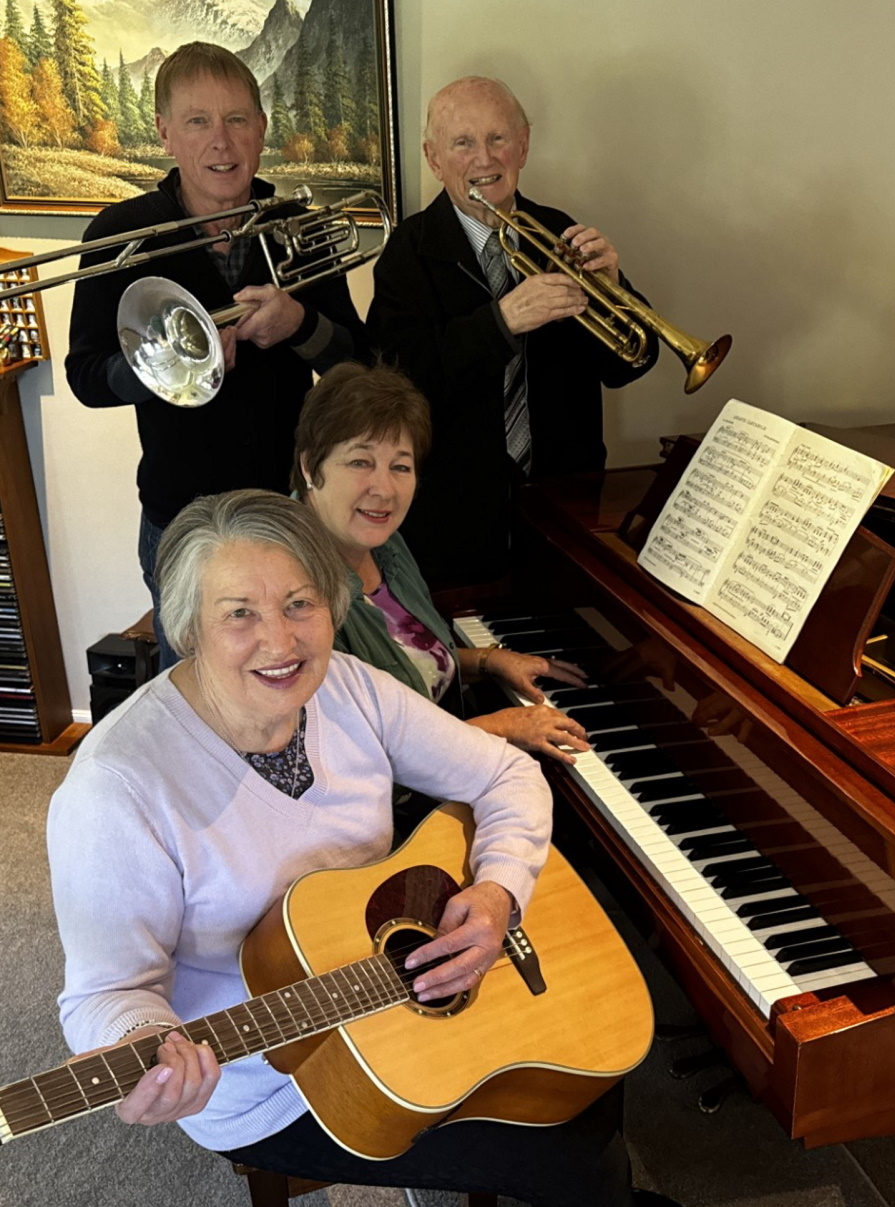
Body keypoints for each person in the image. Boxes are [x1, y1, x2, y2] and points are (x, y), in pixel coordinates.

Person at [45, 490, 637, 1205]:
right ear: (189, 628)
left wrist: (498, 889)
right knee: (569, 1146)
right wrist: (148, 1048)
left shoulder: (348, 687)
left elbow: (506, 770)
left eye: (300, 603)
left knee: (594, 1057)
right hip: (274, 1080)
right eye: (240, 613)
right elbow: (107, 993)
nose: (281, 641)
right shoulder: (116, 786)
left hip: (392, 981)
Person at [65, 42, 367, 670]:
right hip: (181, 519)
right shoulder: (119, 235)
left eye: (237, 120)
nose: (221, 142)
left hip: (293, 508)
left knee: (300, 681)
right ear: (165, 133)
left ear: (261, 129)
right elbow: (87, 376)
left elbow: (357, 364)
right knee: (203, 702)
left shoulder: (297, 226)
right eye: (198, 121)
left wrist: (299, 324)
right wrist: (166, 364)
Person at [367, 75, 659, 589]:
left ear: (523, 145)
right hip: (450, 518)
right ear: (434, 159)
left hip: (565, 511)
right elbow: (396, 382)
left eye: (498, 138)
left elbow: (629, 364)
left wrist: (618, 291)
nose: (484, 159)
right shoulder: (407, 252)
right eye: (463, 143)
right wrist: (501, 322)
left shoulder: (560, 231)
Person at [294, 360, 592, 769]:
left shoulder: (386, 546)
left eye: (400, 466)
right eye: (360, 462)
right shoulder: (294, 589)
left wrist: (486, 661)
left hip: (450, 761)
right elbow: (365, 752)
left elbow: (408, 665)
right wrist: (502, 726)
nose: (383, 489)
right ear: (311, 467)